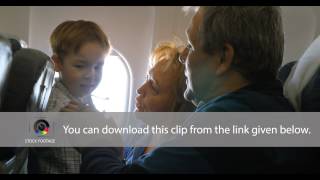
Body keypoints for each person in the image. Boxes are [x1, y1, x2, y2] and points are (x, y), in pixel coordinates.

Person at [79, 6, 312, 173]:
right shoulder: (258, 110)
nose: (183, 55)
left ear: (223, 57)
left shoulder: (227, 123)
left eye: (190, 45)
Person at [28, 20, 111, 174]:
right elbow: (34, 135)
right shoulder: (59, 103)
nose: (91, 75)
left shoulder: (81, 95)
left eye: (98, 66)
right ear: (58, 63)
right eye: (80, 66)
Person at [124, 41, 195, 164]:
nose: (140, 89)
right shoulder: (145, 132)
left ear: (177, 106)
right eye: (147, 79)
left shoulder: (174, 156)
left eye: (154, 87)